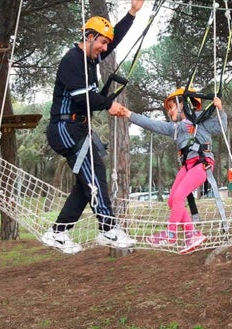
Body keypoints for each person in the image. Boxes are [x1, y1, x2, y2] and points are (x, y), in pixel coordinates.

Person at [42, 0, 145, 254]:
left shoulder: (90, 58)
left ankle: (58, 232)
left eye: (106, 44)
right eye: (101, 42)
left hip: (78, 129)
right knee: (95, 176)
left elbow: (115, 38)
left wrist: (132, 13)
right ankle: (108, 229)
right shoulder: (73, 61)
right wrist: (110, 105)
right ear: (89, 37)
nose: (104, 48)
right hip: (65, 128)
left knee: (85, 183)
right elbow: (82, 98)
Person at [118, 87, 227, 253]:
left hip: (201, 163)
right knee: (172, 201)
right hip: (187, 166)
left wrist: (220, 109)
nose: (169, 111)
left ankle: (171, 233)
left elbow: (220, 127)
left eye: (172, 107)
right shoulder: (174, 128)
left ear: (183, 104)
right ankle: (192, 233)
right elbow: (151, 124)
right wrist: (129, 114)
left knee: (178, 197)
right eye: (168, 108)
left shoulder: (200, 119)